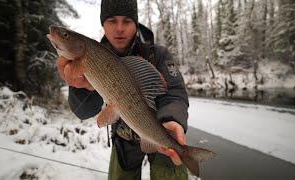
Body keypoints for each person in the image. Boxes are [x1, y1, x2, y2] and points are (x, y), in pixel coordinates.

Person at [56, 0, 194, 179]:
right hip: (123, 141)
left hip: (162, 131)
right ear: (103, 23)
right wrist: (78, 86)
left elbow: (175, 92)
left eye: (127, 21)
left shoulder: (158, 54)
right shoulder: (93, 58)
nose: (119, 28)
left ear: (136, 23)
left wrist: (173, 119)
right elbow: (83, 112)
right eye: (112, 20)